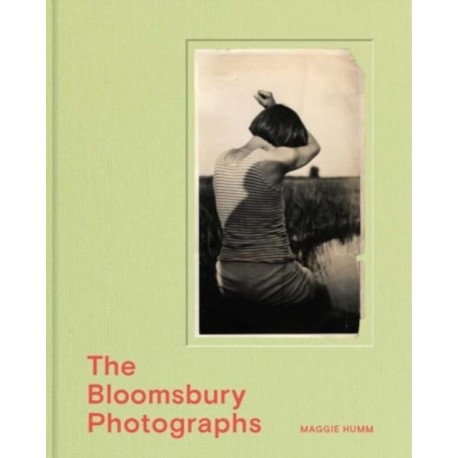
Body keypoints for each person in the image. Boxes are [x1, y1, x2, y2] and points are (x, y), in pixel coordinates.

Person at [213, 90, 331, 316]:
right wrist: (274, 108)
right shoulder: (275, 158)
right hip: (270, 277)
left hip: (226, 279)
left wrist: (272, 114)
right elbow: (314, 147)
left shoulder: (222, 158)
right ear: (284, 137)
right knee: (321, 291)